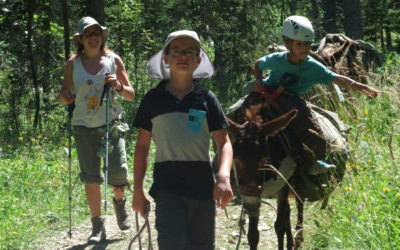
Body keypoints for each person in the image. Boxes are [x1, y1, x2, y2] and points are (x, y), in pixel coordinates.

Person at [131, 30, 233, 249]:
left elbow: (224, 143)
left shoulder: (207, 99)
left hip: (202, 188)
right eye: (177, 51)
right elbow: (142, 146)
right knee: (171, 244)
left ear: (198, 60)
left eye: (189, 52)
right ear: (166, 59)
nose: (183, 56)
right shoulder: (152, 99)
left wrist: (223, 176)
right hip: (167, 187)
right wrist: (137, 190)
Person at [252, 15, 379, 173]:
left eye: (307, 44)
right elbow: (258, 64)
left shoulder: (313, 66)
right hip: (266, 92)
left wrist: (363, 88)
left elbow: (337, 78)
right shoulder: (278, 59)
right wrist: (258, 82)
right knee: (237, 113)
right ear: (287, 44)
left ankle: (312, 162)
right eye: (299, 44)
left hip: (292, 100)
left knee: (313, 130)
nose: (304, 48)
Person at [57, 16, 135, 243]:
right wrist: (65, 97)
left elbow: (130, 95)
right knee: (91, 178)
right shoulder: (73, 64)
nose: (93, 37)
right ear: (80, 39)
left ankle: (119, 204)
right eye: (88, 34)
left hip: (112, 125)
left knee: (118, 173)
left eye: (96, 33)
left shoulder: (113, 60)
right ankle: (97, 226)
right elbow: (63, 96)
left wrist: (118, 86)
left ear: (102, 37)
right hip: (83, 127)